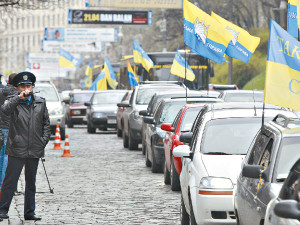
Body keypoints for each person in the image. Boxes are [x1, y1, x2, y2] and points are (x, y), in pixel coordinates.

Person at [0, 71, 50, 221]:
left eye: (28, 86)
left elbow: (46, 124)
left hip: (34, 147)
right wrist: (18, 98)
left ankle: (29, 212)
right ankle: (2, 209)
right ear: (17, 88)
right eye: (22, 86)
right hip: (17, 148)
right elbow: (5, 110)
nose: (26, 89)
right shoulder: (13, 101)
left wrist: (43, 141)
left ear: (33, 87)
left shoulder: (40, 102)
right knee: (10, 181)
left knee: (31, 183)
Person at [0, 73, 18, 187]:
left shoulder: (1, 92)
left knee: (1, 156)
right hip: (9, 127)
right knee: (8, 156)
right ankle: (4, 185)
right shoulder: (16, 95)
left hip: (1, 126)